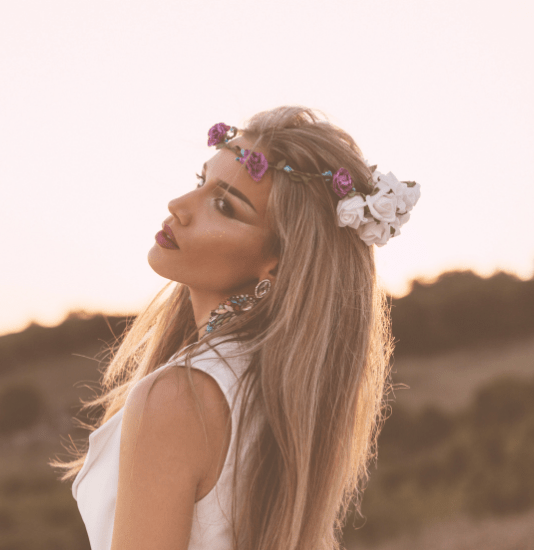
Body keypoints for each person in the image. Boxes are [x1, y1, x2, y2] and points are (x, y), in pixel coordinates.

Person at [50, 106, 420, 550]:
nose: (180, 207)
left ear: (278, 265)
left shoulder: (178, 398)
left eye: (225, 206)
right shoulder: (284, 400)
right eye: (199, 182)